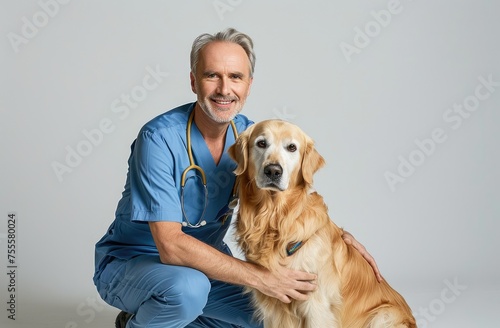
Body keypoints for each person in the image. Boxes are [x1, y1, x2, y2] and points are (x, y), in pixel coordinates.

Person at [93, 28, 382, 328]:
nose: (224, 89)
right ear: (193, 81)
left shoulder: (252, 137)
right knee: (188, 290)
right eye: (212, 75)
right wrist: (263, 278)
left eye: (235, 77)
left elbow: (289, 194)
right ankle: (141, 320)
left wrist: (340, 238)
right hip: (137, 263)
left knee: (271, 313)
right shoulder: (159, 139)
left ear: (248, 85)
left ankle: (161, 316)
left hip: (209, 266)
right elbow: (171, 246)